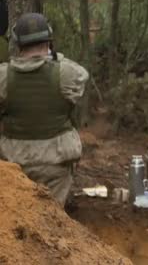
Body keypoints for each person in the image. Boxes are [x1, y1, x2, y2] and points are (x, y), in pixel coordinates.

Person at [0, 12, 89, 206]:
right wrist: (54, 59)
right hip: (55, 163)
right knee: (53, 219)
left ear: (17, 44)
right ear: (49, 41)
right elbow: (81, 77)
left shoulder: (4, 77)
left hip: (16, 164)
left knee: (20, 220)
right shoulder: (65, 72)